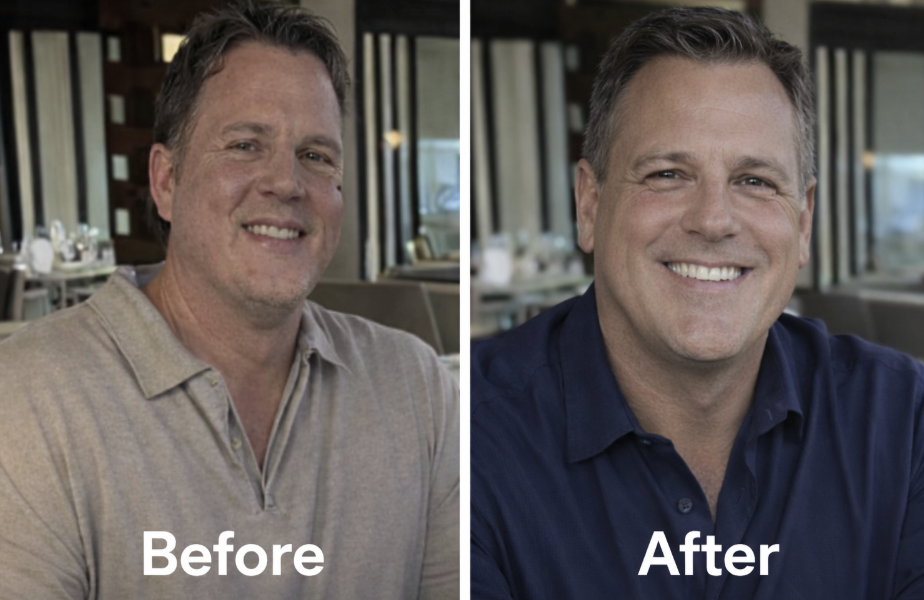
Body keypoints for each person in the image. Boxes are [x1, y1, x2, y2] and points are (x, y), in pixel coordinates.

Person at [0, 2, 458, 598]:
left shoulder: (417, 387)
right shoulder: (29, 399)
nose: (287, 183)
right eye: (245, 144)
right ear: (166, 180)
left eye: (316, 156)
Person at [471, 7, 924, 599]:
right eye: (666, 173)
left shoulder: (903, 422)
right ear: (589, 203)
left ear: (805, 221)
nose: (713, 220)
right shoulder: (471, 436)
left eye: (755, 181)